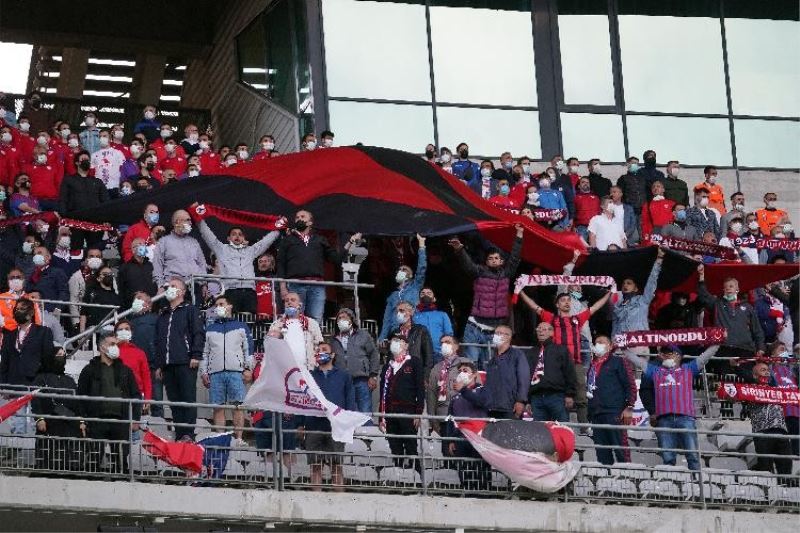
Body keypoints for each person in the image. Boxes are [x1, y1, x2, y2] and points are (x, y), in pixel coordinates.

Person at [518, 285, 611, 425]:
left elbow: (595, 307)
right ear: (557, 304)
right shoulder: (551, 318)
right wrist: (520, 292)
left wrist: (608, 294)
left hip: (575, 362)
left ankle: (584, 426)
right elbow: (533, 306)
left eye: (569, 300)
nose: (567, 302)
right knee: (560, 396)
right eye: (563, 300)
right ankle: (562, 425)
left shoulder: (577, 319)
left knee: (581, 396)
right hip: (557, 365)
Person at [624, 344, 720, 471]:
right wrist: (623, 348)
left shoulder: (688, 369)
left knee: (692, 455)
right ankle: (672, 483)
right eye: (665, 353)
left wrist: (717, 343)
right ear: (660, 356)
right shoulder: (655, 371)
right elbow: (637, 361)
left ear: (679, 356)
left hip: (686, 418)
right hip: (664, 420)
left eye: (671, 353)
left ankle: (697, 484)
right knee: (668, 458)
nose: (667, 355)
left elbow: (705, 357)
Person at [449, 225, 523, 367]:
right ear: (486, 262)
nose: (494, 260)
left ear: (502, 261)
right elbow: (468, 264)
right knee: (470, 365)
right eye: (490, 258)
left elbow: (514, 258)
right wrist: (459, 250)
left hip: (494, 331)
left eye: (497, 258)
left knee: (488, 367)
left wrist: (519, 235)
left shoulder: (506, 275)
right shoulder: (480, 272)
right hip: (474, 326)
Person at [193, 205, 282, 314]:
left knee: (250, 322)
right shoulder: (221, 249)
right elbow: (207, 235)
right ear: (228, 238)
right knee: (233, 320)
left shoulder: (250, 251)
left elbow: (266, 242)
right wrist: (198, 217)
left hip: (250, 292)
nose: (237, 236)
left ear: (243, 238)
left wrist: (278, 228)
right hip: (231, 291)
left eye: (240, 234)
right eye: (234, 234)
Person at [77, 336, 142, 474]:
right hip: (96, 420)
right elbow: (81, 397)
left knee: (120, 458)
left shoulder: (126, 371)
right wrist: (82, 419)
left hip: (121, 420)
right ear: (102, 347)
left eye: (117, 345)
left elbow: (136, 395)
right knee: (94, 456)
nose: (116, 347)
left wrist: (135, 418)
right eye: (112, 344)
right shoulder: (89, 370)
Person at [276, 209, 351, 324]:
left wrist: (350, 242)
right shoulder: (287, 240)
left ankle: (313, 342)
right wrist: (282, 287)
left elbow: (336, 259)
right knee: (294, 319)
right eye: (297, 217)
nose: (299, 219)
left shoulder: (320, 239)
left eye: (303, 217)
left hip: (317, 286)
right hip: (295, 285)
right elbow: (281, 263)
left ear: (310, 222)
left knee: (315, 321)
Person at [154, 278, 205, 441]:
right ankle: (179, 434)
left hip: (185, 361)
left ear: (183, 291)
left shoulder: (191, 309)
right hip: (167, 365)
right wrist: (159, 365)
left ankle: (188, 434)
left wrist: (196, 355)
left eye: (174, 286)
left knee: (187, 398)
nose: (169, 288)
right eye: (168, 286)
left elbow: (198, 333)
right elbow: (158, 340)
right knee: (174, 401)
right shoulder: (163, 314)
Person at [302, 342, 355, 491]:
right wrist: (300, 423)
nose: (320, 352)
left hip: (336, 428)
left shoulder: (344, 376)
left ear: (332, 355)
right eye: (317, 350)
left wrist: (349, 423)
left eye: (324, 350)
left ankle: (339, 504)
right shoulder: (309, 377)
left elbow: (350, 400)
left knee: (336, 467)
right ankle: (316, 503)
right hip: (313, 426)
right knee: (315, 467)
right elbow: (301, 401)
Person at [0, 297, 57, 435]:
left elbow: (48, 358)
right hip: (14, 385)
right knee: (16, 424)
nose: (18, 311)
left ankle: (33, 454)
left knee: (34, 422)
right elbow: (4, 363)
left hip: (35, 383)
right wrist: (3, 385)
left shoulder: (43, 332)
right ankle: (17, 451)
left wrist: (43, 380)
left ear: (31, 313)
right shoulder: (9, 335)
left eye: (21, 309)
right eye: (16, 309)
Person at [202, 295, 254, 444]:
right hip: (215, 373)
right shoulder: (210, 328)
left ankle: (238, 439)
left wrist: (247, 368)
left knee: (238, 406)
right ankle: (220, 438)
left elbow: (248, 350)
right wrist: (204, 372)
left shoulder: (241, 326)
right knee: (217, 407)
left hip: (236, 372)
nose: (218, 307)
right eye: (216, 305)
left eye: (221, 304)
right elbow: (204, 353)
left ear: (230, 306)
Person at [733, 359, 793, 476]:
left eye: (768, 370)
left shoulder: (776, 389)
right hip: (762, 432)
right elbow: (747, 376)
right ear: (754, 375)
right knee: (765, 468)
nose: (767, 372)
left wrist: (770, 361)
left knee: (786, 469)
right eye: (763, 370)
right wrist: (737, 368)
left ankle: (785, 492)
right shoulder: (751, 389)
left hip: (781, 432)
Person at [696, 265, 765, 360]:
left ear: (737, 289)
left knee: (745, 375)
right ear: (723, 290)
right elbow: (703, 296)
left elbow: (757, 329)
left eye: (731, 286)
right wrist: (701, 275)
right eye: (725, 287)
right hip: (723, 348)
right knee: (724, 375)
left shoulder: (748, 307)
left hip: (745, 349)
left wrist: (760, 348)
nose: (728, 288)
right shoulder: (717, 304)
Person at [461, 325, 530, 420]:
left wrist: (521, 401)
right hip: (492, 408)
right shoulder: (492, 360)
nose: (495, 336)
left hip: (510, 407)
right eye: (495, 333)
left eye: (499, 333)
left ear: (508, 336)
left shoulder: (517, 355)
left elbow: (524, 378)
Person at [586, 336, 637, 465]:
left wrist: (629, 406)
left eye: (601, 342)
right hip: (596, 413)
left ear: (610, 346)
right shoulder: (592, 365)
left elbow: (630, 384)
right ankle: (605, 480)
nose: (598, 344)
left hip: (614, 412)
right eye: (596, 342)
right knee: (602, 452)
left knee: (620, 449)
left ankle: (628, 477)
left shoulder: (618, 361)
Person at [379, 332, 425, 472]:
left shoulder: (414, 361)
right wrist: (382, 414)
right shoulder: (388, 365)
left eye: (398, 340)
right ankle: (399, 477)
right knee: (395, 446)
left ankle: (417, 479)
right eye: (393, 340)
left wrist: (418, 412)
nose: (394, 342)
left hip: (407, 410)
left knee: (411, 446)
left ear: (406, 345)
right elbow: (383, 392)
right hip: (390, 411)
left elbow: (420, 389)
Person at [32, 348, 80, 472]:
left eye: (63, 355)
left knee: (66, 456)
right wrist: (39, 419)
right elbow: (36, 401)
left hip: (67, 423)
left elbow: (77, 402)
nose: (61, 357)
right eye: (58, 355)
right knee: (47, 454)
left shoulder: (69, 380)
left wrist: (80, 420)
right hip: (48, 422)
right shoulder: (40, 378)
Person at [447, 359, 491, 489]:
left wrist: (464, 390)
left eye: (465, 371)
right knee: (464, 468)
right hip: (461, 437)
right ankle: (467, 491)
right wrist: (450, 440)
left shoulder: (483, 390)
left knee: (480, 468)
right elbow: (450, 419)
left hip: (480, 437)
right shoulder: (455, 397)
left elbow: (482, 402)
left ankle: (485, 493)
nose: (461, 374)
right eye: (459, 371)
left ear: (474, 374)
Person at [377, 233, 427, 341]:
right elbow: (387, 319)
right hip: (397, 331)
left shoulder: (415, 287)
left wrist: (422, 245)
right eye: (399, 270)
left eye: (404, 270)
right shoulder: (393, 296)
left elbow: (421, 268)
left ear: (410, 275)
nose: (401, 271)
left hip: (413, 328)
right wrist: (382, 336)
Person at [330, 307, 380, 414]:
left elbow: (374, 355)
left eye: (344, 317)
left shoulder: (363, 335)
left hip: (361, 380)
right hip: (341, 381)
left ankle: (366, 431)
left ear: (351, 320)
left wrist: (373, 375)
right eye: (339, 318)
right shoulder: (333, 340)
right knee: (345, 412)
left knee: (364, 411)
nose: (341, 320)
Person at [526, 322, 576, 423]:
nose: (540, 331)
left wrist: (570, 394)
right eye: (538, 329)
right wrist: (528, 400)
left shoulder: (561, 350)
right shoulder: (531, 352)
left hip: (557, 396)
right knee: (540, 432)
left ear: (551, 332)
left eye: (544, 329)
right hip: (537, 397)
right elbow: (528, 376)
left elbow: (569, 372)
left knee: (561, 428)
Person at [152, 209, 207, 301]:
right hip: (175, 288)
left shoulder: (194, 242)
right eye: (187, 220)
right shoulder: (164, 242)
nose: (190, 223)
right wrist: (160, 286)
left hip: (195, 286)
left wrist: (204, 284)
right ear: (177, 222)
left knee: (195, 314)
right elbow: (157, 266)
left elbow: (202, 264)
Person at [59, 150, 108, 251]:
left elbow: (105, 201)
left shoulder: (97, 181)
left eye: (88, 160)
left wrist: (106, 218)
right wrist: (64, 218)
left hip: (95, 221)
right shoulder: (68, 180)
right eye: (83, 159)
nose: (86, 161)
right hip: (76, 220)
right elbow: (63, 199)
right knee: (76, 249)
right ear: (77, 162)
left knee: (95, 249)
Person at [611, 247, 664, 336]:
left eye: (629, 283)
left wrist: (659, 259)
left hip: (639, 344)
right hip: (621, 347)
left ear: (636, 288)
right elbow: (615, 329)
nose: (625, 285)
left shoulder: (643, 300)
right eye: (623, 283)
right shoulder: (618, 306)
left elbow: (652, 282)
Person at [268, 291, 324, 370]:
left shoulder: (311, 323)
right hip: (284, 371)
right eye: (286, 301)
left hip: (308, 370)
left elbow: (319, 345)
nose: (289, 302)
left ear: (300, 305)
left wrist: (316, 365)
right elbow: (270, 346)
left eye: (293, 300)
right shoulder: (276, 324)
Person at [426, 337, 467, 437]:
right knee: (446, 450)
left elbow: (476, 387)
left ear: (456, 346)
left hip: (462, 417)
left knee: (461, 451)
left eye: (448, 342)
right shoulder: (436, 368)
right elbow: (431, 395)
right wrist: (432, 420)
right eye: (442, 343)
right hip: (443, 417)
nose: (444, 345)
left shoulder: (466, 363)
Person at [129, 292, 161, 417]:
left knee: (156, 399)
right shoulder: (129, 321)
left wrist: (160, 364)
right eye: (135, 299)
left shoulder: (156, 319)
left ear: (149, 304)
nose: (136, 301)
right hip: (134, 366)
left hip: (152, 364)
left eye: (139, 299)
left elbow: (161, 342)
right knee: (135, 398)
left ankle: (158, 426)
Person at [115, 320, 153, 412]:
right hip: (115, 395)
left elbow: (146, 378)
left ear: (131, 332)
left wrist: (147, 398)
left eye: (127, 329)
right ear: (115, 334)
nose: (124, 331)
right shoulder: (111, 352)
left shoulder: (140, 353)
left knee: (134, 425)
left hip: (136, 396)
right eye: (120, 329)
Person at [389, 301, 435, 374]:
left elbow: (428, 355)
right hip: (396, 373)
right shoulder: (394, 332)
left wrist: (426, 375)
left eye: (401, 310)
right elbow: (391, 355)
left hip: (415, 372)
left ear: (411, 312)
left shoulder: (421, 330)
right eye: (397, 311)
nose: (398, 314)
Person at [413, 287, 453, 364]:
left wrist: (446, 350)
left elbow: (449, 334)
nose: (425, 295)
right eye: (423, 293)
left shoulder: (442, 315)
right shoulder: (414, 316)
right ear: (419, 298)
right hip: (419, 353)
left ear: (434, 298)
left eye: (429, 293)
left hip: (438, 353)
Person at [79, 265, 122, 333]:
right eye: (105, 274)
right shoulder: (91, 293)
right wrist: (82, 334)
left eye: (110, 274)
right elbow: (83, 313)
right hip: (93, 331)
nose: (108, 276)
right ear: (98, 278)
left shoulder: (117, 297)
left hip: (112, 333)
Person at [117, 237, 158, 308]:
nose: (142, 246)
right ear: (133, 250)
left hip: (154, 306)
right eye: (139, 244)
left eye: (144, 245)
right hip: (135, 307)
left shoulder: (152, 266)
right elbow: (121, 290)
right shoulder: (125, 268)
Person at [25, 245, 68, 312]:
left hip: (49, 312)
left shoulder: (57, 272)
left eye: (39, 253)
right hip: (31, 312)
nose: (36, 256)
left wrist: (57, 309)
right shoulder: (30, 273)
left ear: (48, 256)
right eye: (34, 254)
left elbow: (63, 292)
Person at [616, 156, 648, 233]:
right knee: (630, 231)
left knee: (642, 231)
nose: (635, 165)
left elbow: (646, 192)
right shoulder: (623, 178)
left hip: (642, 209)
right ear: (628, 164)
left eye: (637, 163)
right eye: (633, 163)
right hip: (629, 209)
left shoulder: (643, 178)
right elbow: (619, 193)